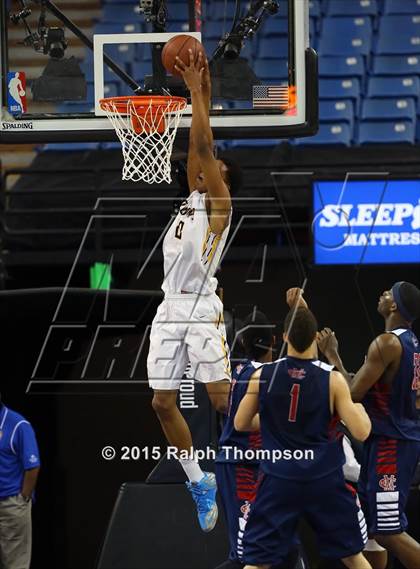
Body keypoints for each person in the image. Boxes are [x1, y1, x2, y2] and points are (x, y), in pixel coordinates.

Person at [147, 49, 243, 532]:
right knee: (162, 403)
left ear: (222, 178)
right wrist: (202, 90)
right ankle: (197, 480)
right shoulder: (193, 195)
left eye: (214, 167)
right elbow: (196, 150)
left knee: (223, 400)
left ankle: (267, 458)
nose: (205, 168)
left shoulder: (220, 206)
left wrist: (193, 95)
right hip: (170, 307)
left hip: (202, 307)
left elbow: (204, 149)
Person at [234, 297, 373, 569]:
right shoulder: (331, 379)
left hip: (279, 479)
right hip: (323, 479)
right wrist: (360, 409)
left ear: (284, 337)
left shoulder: (263, 375)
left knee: (257, 563)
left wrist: (275, 421)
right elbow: (361, 431)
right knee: (353, 557)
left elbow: (241, 423)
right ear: (314, 337)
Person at [317, 281, 420, 569]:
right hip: (396, 439)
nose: (382, 294)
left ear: (394, 305)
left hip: (391, 444)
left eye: (388, 292)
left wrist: (332, 355)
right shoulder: (411, 342)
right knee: (374, 532)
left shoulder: (386, 343)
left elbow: (351, 395)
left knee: (388, 533)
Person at [215, 309, 305, 569]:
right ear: (275, 340)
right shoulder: (270, 375)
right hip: (242, 466)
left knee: (287, 546)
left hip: (265, 470)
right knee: (248, 555)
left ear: (242, 342)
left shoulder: (235, 370)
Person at [0, 394, 40, 569]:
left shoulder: (18, 425)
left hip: (10, 504)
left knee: (15, 564)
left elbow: (32, 466)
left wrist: (23, 498)